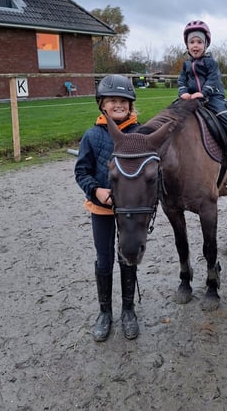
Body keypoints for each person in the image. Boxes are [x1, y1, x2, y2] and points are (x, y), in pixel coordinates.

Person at [74, 74, 141, 342]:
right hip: (101, 208)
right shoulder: (92, 135)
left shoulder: (139, 133)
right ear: (102, 104)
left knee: (128, 256)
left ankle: (128, 310)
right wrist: (96, 190)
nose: (118, 105)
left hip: (130, 211)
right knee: (104, 259)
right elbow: (81, 171)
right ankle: (105, 312)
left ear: (131, 105)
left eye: (123, 100)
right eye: (112, 100)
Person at [177, 20, 227, 151]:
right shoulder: (186, 64)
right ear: (187, 45)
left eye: (199, 42)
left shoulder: (211, 63)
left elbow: (213, 79)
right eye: (191, 42)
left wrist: (203, 92)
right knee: (173, 110)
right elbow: (182, 79)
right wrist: (183, 92)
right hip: (192, 96)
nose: (195, 46)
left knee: (221, 111)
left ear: (206, 44)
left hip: (212, 95)